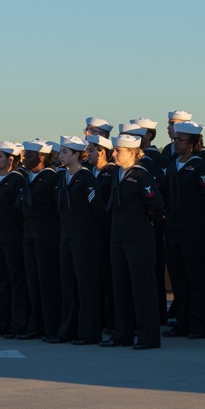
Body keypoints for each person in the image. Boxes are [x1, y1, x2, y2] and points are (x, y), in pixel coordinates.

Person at [101, 134, 165, 350]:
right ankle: (122, 334)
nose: (114, 154)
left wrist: (142, 221)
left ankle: (148, 336)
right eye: (115, 150)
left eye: (119, 151)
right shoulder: (117, 173)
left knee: (142, 288)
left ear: (132, 153)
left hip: (138, 238)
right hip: (118, 237)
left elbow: (156, 204)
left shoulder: (141, 176)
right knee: (121, 286)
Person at [162, 121, 205, 340]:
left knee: (197, 279)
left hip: (196, 231)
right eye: (174, 139)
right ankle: (182, 323)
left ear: (193, 143)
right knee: (179, 280)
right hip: (175, 230)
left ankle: (198, 325)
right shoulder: (174, 165)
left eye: (180, 140)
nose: (175, 143)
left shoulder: (199, 166)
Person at [55, 135, 105, 345]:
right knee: (68, 284)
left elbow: (97, 208)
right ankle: (68, 329)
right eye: (61, 151)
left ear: (77, 154)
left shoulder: (86, 178)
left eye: (65, 152)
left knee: (86, 285)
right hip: (67, 236)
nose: (61, 156)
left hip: (84, 238)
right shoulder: (64, 177)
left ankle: (89, 331)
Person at [0, 141, 29, 339]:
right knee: (1, 281)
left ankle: (17, 324)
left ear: (11, 160)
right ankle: (0, 323)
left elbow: (19, 211)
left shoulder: (18, 179)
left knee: (16, 280)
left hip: (12, 237)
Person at [20, 139, 62, 341]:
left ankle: (50, 326)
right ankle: (35, 324)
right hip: (30, 234)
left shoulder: (50, 178)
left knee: (47, 282)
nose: (24, 158)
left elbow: (57, 209)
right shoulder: (30, 178)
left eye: (28, 155)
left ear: (41, 157)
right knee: (33, 281)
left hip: (46, 235)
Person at [85, 135, 117, 331]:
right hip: (90, 232)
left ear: (102, 152)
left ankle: (111, 320)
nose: (87, 154)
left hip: (106, 230)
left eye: (91, 150)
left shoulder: (112, 172)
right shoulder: (88, 173)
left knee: (108, 276)